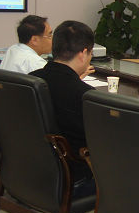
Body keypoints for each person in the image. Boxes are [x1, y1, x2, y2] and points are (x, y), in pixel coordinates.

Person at [30, 20, 95, 190]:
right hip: (71, 179)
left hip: (29, 173)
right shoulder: (84, 95)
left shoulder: (30, 80)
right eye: (91, 54)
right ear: (83, 53)